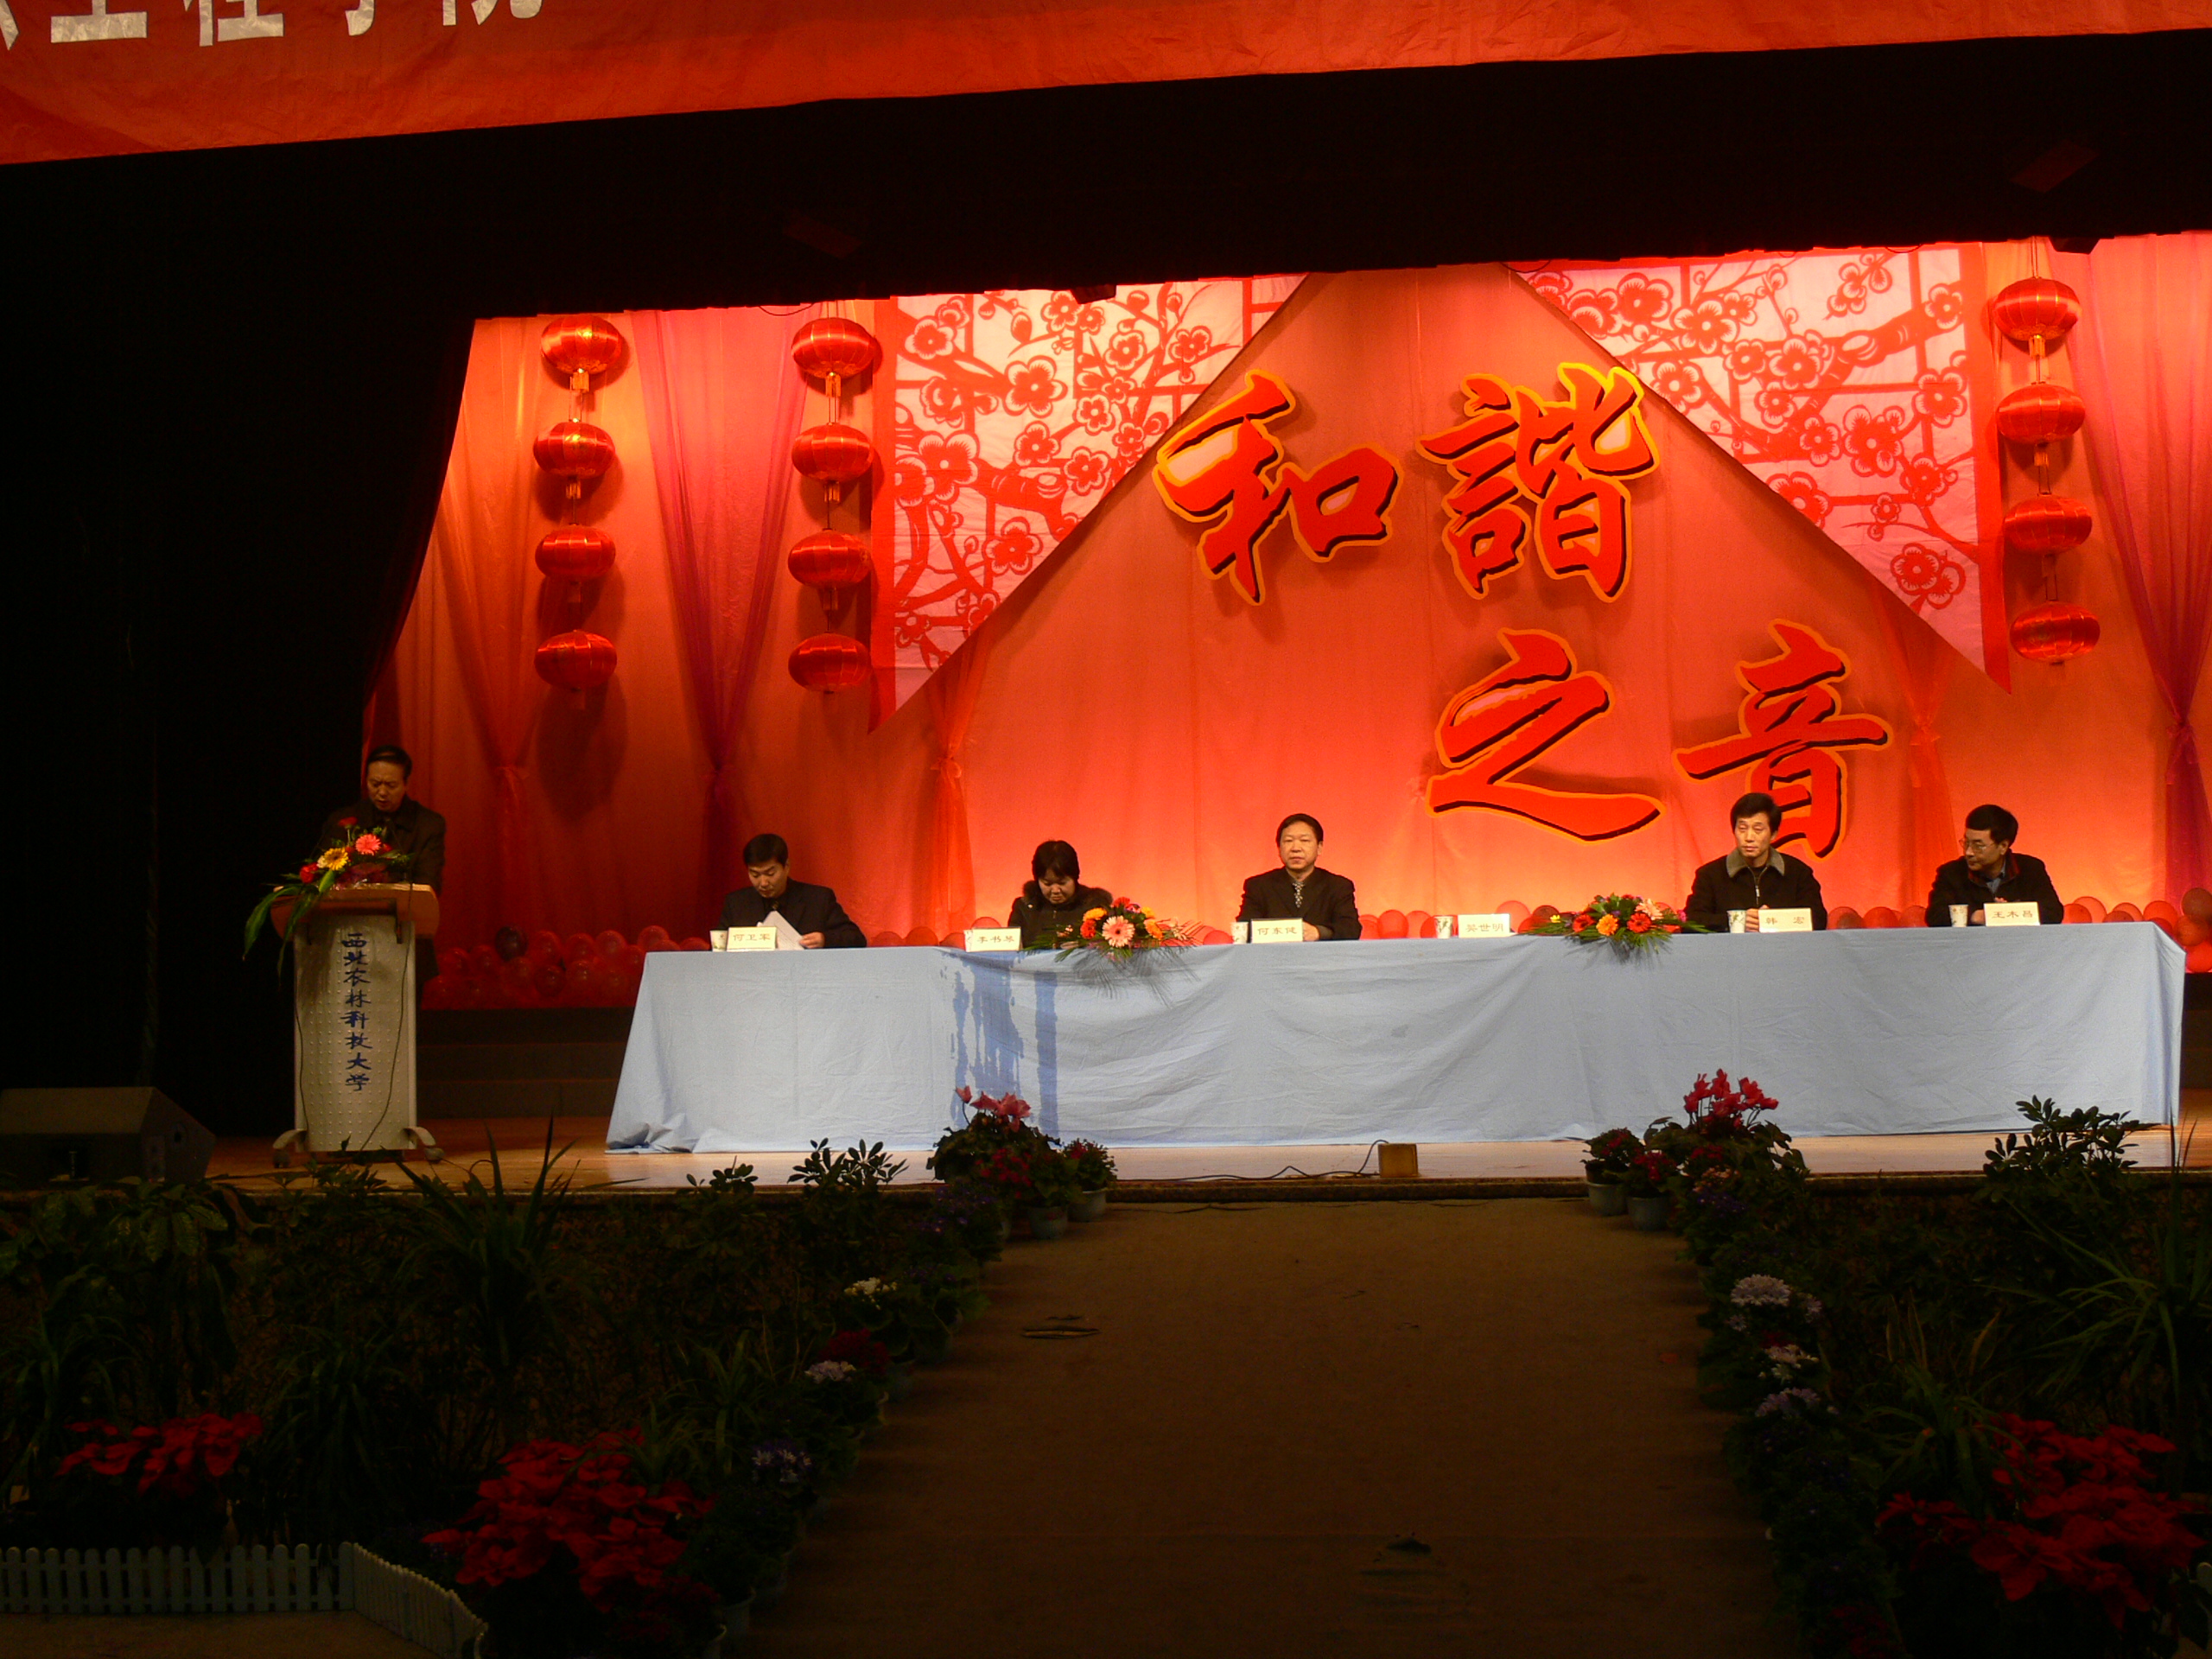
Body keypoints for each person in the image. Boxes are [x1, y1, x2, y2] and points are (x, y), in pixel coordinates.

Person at [317, 744, 447, 982]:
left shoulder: (428, 825)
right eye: (375, 784)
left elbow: (428, 885)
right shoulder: (344, 821)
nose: (382, 792)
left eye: (391, 785)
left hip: (405, 941)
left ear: (406, 783)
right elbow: (323, 872)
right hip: (346, 938)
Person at [1683, 791, 1827, 931]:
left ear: (1773, 834)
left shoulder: (1798, 873)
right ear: (1734, 831)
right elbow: (1690, 922)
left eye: (1758, 829)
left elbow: (1818, 919)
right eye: (1742, 829)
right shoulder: (1710, 875)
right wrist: (1737, 921)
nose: (1749, 837)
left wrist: (1775, 920)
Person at [1923, 804, 2064, 925]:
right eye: (1966, 843)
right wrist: (1976, 916)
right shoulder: (1951, 873)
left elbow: (2053, 913)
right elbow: (1935, 916)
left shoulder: (2031, 869)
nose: (1969, 852)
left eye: (1978, 846)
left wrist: (2009, 913)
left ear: (2003, 846)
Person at [720, 833, 867, 948]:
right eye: (755, 875)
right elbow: (719, 945)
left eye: (770, 874)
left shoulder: (818, 899)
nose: (763, 883)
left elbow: (856, 938)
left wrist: (825, 939)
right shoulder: (736, 904)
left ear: (786, 866)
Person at [1236, 812, 1362, 940]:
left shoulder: (1338, 886)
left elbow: (1351, 929)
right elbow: (1244, 930)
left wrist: (1318, 932)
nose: (1296, 848)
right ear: (1279, 848)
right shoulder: (1258, 886)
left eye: (1304, 840)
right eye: (1288, 841)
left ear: (1319, 847)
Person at [1007, 841, 1113, 948]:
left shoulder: (1094, 907)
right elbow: (1010, 948)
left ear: (1075, 878)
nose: (1055, 890)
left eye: (1062, 883)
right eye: (1047, 884)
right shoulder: (1025, 908)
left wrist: (1083, 946)